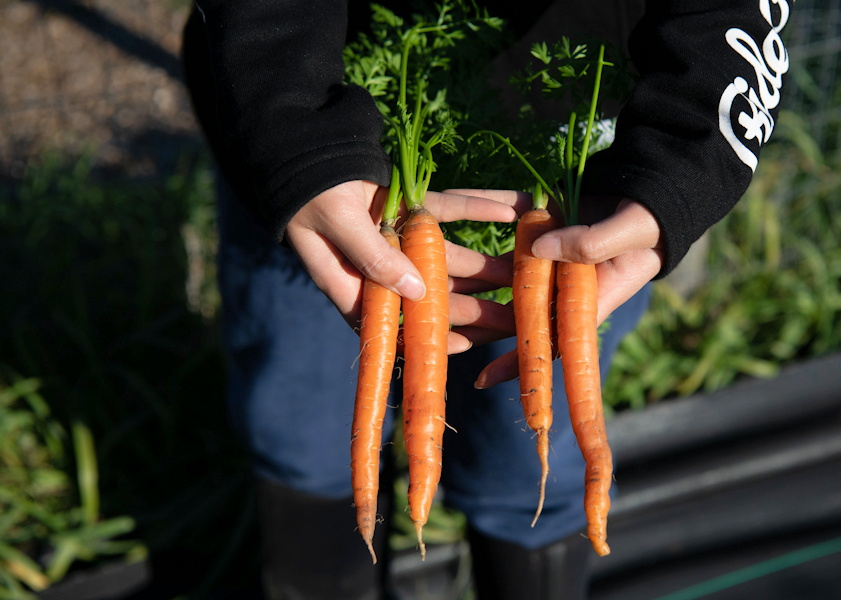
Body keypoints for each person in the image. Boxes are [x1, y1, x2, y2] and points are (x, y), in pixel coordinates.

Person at [180, 0, 793, 598]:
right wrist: (292, 133)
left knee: (524, 465)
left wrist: (686, 161)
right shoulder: (294, 135)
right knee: (300, 432)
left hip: (579, 162)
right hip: (303, 148)